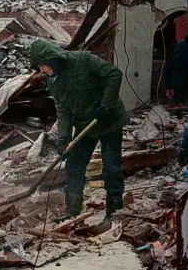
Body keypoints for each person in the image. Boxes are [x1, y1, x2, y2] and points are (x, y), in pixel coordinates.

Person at [29, 40, 129, 222]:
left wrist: (106, 103)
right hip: (85, 125)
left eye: (42, 66)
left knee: (111, 167)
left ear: (51, 59)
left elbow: (114, 75)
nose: (42, 71)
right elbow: (63, 110)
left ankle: (114, 210)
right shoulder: (54, 81)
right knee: (74, 166)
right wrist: (64, 139)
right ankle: (72, 211)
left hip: (109, 120)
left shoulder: (84, 59)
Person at [165, 34, 188, 165]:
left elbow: (168, 67)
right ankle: (184, 153)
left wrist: (170, 86)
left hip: (183, 89)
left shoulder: (180, 47)